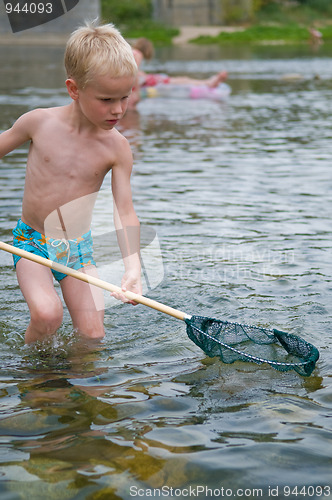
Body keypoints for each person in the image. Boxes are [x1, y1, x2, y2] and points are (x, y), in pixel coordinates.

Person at [0, 22, 142, 344]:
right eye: (106, 99)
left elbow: (125, 211)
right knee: (48, 315)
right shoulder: (39, 123)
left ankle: (83, 389)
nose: (118, 109)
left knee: (93, 334)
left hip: (77, 251)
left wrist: (132, 268)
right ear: (74, 89)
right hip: (32, 242)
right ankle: (36, 378)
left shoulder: (117, 148)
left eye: (125, 96)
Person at [129, 37, 228, 109]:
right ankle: (208, 82)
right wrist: (135, 92)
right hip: (148, 81)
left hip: (145, 80)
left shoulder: (130, 52)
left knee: (179, 80)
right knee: (181, 80)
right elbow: (134, 74)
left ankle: (209, 82)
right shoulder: (138, 54)